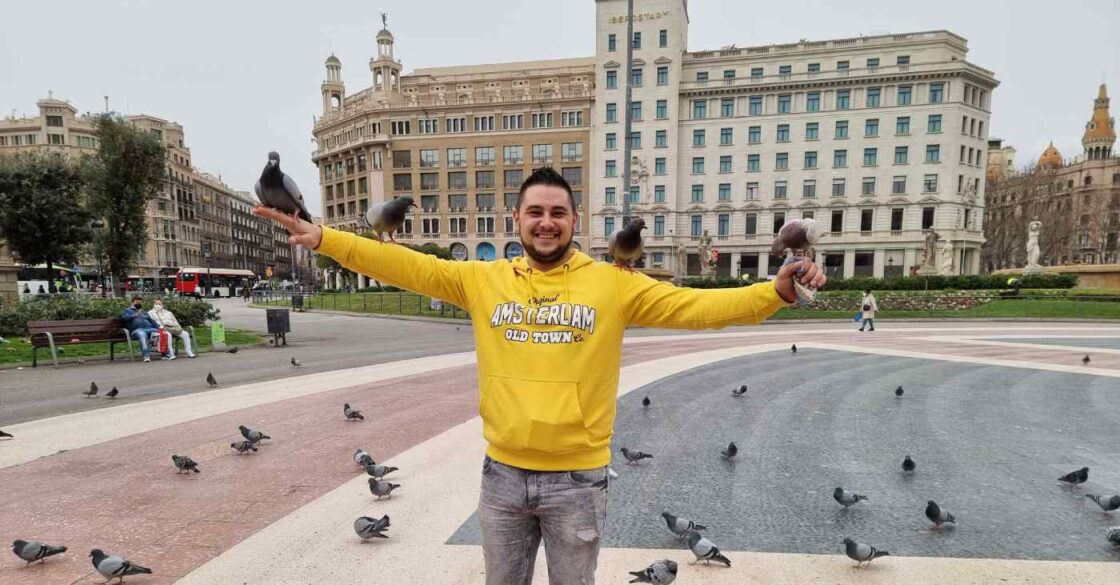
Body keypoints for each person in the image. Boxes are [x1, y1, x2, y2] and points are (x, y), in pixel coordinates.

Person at [254, 167, 826, 585]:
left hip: (576, 482)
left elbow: (697, 310)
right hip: (502, 477)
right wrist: (326, 239)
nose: (546, 223)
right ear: (517, 220)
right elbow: (407, 265)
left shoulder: (611, 284)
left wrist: (773, 292)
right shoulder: (483, 280)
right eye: (535, 212)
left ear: (574, 221)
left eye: (557, 213)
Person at [121, 295, 162, 363]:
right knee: (142, 334)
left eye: (140, 302)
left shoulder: (143, 312)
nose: (138, 304)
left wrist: (159, 327)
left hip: (148, 328)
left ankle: (151, 349)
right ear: (132, 303)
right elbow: (124, 318)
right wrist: (134, 315)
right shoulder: (127, 311)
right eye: (136, 302)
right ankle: (146, 355)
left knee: (157, 331)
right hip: (136, 330)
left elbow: (152, 321)